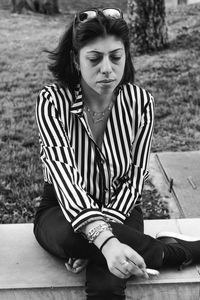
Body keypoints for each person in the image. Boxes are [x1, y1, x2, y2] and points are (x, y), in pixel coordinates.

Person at [34, 7, 200, 300]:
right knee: (71, 236)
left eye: (116, 57)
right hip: (60, 210)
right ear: (76, 59)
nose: (107, 68)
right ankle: (172, 251)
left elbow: (136, 177)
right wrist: (103, 240)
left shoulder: (141, 102)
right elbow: (63, 176)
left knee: (108, 285)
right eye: (94, 59)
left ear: (126, 56)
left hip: (122, 207)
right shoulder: (52, 102)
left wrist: (101, 240)